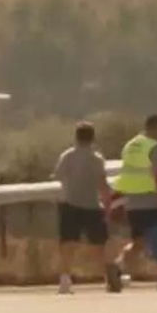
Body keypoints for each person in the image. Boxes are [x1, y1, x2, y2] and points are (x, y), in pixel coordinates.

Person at [113, 114, 157, 291]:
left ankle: (118, 265)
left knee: (138, 241)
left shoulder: (130, 145)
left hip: (132, 201)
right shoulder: (154, 147)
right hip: (151, 199)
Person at [52, 121, 119, 294]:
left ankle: (65, 280)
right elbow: (102, 184)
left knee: (68, 244)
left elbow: (58, 176)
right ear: (92, 137)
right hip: (91, 205)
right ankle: (109, 278)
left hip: (70, 204)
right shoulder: (97, 159)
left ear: (76, 136)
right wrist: (108, 205)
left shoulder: (66, 156)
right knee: (100, 245)